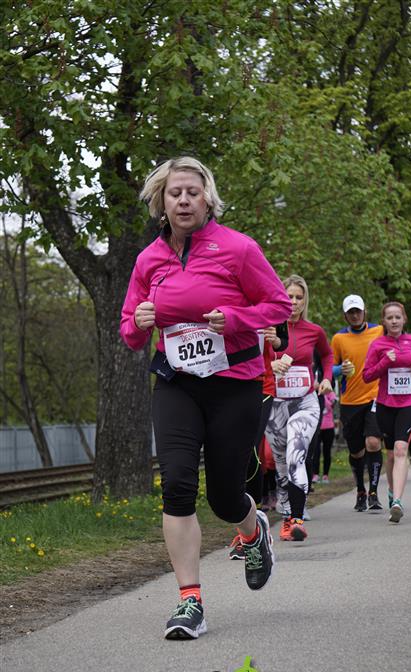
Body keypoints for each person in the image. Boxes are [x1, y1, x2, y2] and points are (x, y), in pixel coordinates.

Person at [120, 156, 292, 639]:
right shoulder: (148, 260)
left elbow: (277, 304)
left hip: (234, 384)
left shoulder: (238, 248)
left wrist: (235, 319)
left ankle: (253, 530)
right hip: (176, 383)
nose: (183, 201)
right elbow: (129, 331)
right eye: (175, 193)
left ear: (207, 198)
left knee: (223, 496)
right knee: (176, 483)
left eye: (192, 192)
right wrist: (140, 323)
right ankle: (189, 601)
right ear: (162, 201)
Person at [265, 274, 333, 542]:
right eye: (289, 296)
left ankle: (298, 518)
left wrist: (327, 378)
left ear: (305, 301)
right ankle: (287, 519)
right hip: (275, 404)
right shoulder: (268, 328)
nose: (293, 302)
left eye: (298, 297)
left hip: (305, 401)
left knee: (296, 452)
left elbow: (327, 355)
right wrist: (270, 365)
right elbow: (252, 359)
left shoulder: (314, 330)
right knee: (281, 462)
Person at [363, 301, 411, 523]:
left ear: (404, 319)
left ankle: (397, 502)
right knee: (391, 453)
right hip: (385, 405)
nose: (394, 321)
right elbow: (367, 375)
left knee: (401, 450)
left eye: (397, 317)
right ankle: (392, 491)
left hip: (409, 403)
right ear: (383, 321)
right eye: (389, 318)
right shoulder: (377, 344)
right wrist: (384, 362)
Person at [229, 322, 288, 561]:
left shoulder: (269, 303)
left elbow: (283, 341)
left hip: (261, 385)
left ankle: (253, 529)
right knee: (233, 456)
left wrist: (276, 341)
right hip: (227, 386)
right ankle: (249, 529)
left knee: (250, 452)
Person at [331, 295, 384, 512]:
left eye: (358, 311)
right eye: (350, 312)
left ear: (364, 312)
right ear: (345, 315)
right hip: (350, 401)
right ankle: (361, 490)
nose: (355, 315)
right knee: (356, 451)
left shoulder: (379, 331)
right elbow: (329, 369)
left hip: (375, 396)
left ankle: (373, 493)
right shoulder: (338, 339)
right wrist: (339, 370)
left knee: (373, 442)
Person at [312, 385, 337, 483]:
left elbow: (330, 406)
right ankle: (315, 474)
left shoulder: (330, 393)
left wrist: (323, 396)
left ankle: (326, 475)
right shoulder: (313, 393)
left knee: (327, 452)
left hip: (329, 427)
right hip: (317, 427)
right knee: (316, 452)